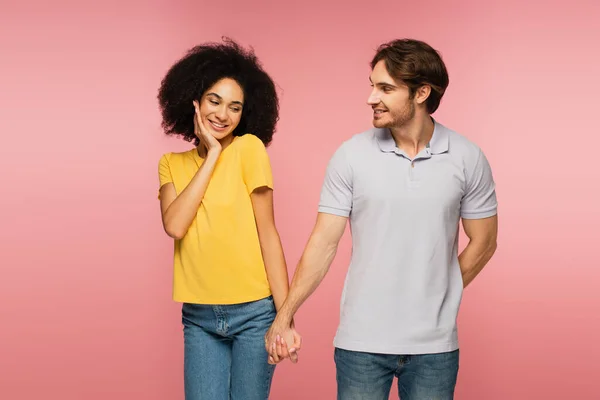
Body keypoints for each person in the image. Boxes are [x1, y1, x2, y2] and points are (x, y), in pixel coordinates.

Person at [265, 38, 499, 399]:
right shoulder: (351, 155)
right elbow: (323, 242)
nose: (371, 98)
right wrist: (285, 314)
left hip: (435, 348)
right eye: (372, 85)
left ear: (421, 93)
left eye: (385, 88)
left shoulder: (467, 157)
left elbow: (484, 241)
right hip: (361, 344)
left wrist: (442, 289)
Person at [156, 38, 297, 400]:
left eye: (234, 108)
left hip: (254, 313)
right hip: (199, 317)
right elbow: (175, 226)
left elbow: (269, 235)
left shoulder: (249, 150)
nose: (222, 115)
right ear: (194, 101)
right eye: (214, 102)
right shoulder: (172, 163)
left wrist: (285, 319)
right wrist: (213, 154)